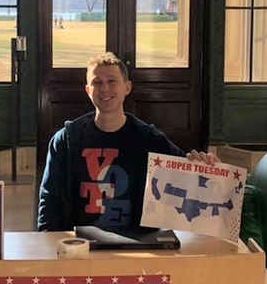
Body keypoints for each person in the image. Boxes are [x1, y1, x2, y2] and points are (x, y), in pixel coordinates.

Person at [37, 52, 218, 231]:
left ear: (127, 87)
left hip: (138, 245)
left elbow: (186, 173)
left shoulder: (149, 139)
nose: (104, 88)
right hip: (80, 245)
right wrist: (48, 243)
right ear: (87, 90)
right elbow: (49, 198)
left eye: (112, 81)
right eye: (96, 82)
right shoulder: (66, 140)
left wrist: (206, 167)